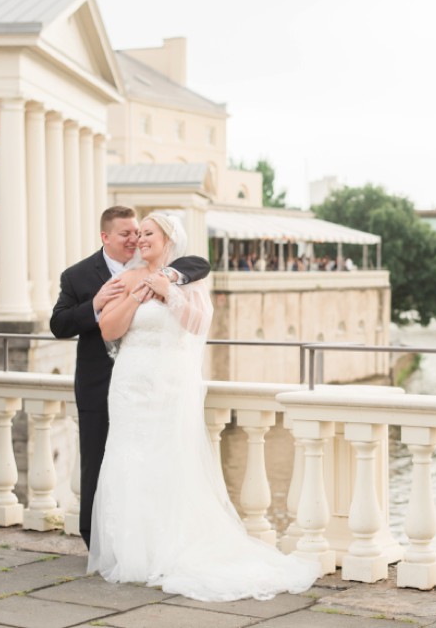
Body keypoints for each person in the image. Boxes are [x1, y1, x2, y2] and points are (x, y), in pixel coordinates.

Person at [89, 213, 320, 600]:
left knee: (166, 459)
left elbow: (197, 325)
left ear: (167, 241)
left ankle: (168, 546)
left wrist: (167, 291)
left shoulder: (189, 279)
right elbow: (108, 329)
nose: (140, 240)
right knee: (129, 458)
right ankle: (133, 552)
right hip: (129, 384)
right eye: (138, 234)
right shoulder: (125, 278)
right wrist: (136, 295)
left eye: (149, 234)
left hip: (168, 386)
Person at [50, 206, 211, 550]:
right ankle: (99, 540)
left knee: (160, 459)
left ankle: (161, 539)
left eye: (141, 232)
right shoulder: (79, 276)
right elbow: (60, 325)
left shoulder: (178, 270)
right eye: (128, 234)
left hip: (161, 382)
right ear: (106, 237)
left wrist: (165, 281)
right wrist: (95, 303)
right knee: (104, 461)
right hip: (106, 383)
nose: (135, 239)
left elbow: (197, 266)